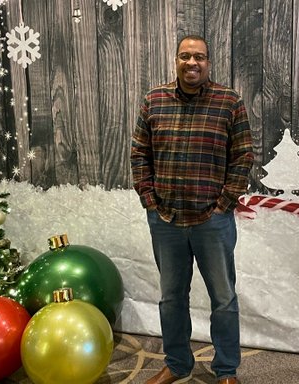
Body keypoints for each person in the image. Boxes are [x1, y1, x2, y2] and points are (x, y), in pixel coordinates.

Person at [130, 35, 254, 384]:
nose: (192, 63)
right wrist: (149, 200)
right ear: (176, 60)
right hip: (166, 220)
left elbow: (243, 155)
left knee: (224, 299)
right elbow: (140, 152)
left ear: (208, 62)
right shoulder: (154, 100)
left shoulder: (229, 102)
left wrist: (224, 203)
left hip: (211, 222)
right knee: (171, 298)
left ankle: (226, 369)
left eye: (198, 57)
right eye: (185, 56)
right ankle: (177, 364)